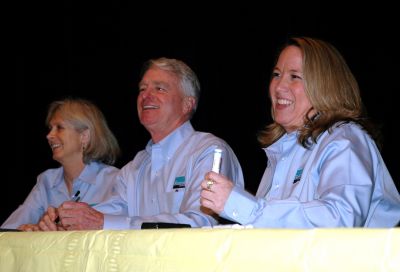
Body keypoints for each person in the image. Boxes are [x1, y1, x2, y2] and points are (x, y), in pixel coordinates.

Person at [200, 37, 400, 228]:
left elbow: (341, 219)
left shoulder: (344, 139)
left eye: (294, 76)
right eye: (276, 74)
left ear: (324, 85)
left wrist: (242, 206)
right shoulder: (281, 153)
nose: (279, 86)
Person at [37, 57, 244, 230]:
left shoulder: (209, 152)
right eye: (142, 89)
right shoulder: (134, 168)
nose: (146, 95)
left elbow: (201, 224)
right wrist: (64, 220)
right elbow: (106, 213)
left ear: (187, 104)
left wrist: (102, 222)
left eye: (160, 88)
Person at [1, 98, 120, 230]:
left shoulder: (114, 180)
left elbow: (122, 233)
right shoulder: (46, 181)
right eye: (50, 128)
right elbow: (7, 231)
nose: (49, 135)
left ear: (84, 136)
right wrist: (30, 230)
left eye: (59, 128)